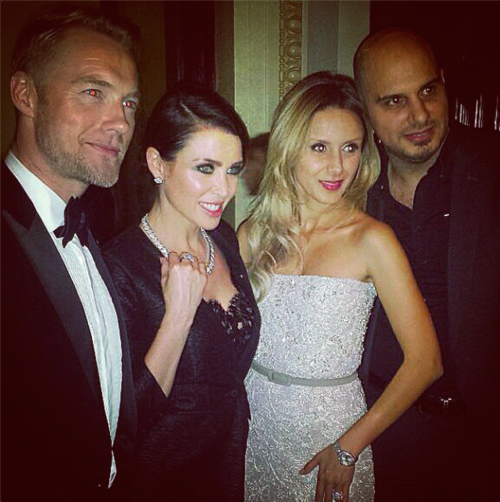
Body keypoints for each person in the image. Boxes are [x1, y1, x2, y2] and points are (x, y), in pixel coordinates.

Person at [238, 71, 442, 502]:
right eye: (319, 147)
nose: (337, 167)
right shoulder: (253, 233)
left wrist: (349, 446)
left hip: (331, 438)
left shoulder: (372, 240)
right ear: (289, 148)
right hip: (253, 428)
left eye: (350, 147)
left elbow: (426, 362)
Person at [353, 29, 500, 501]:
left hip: (480, 437)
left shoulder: (491, 167)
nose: (419, 115)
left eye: (428, 91)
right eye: (394, 101)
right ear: (365, 110)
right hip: (381, 430)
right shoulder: (349, 186)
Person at [1, 6, 140, 502]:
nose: (120, 122)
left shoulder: (91, 221)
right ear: (26, 95)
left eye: (128, 102)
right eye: (92, 92)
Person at [102, 83, 261, 502]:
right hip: (162, 481)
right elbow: (124, 421)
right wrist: (178, 316)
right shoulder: (118, 268)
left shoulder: (224, 240)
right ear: (157, 163)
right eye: (205, 168)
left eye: (233, 170)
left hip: (228, 468)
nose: (224, 190)